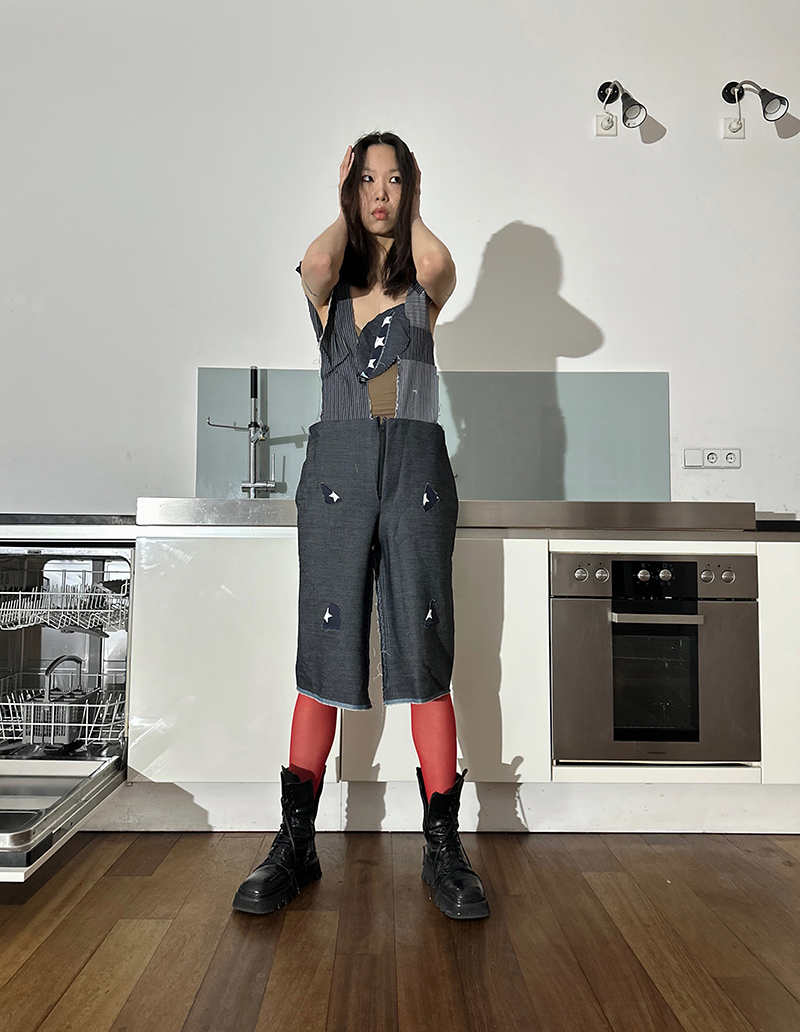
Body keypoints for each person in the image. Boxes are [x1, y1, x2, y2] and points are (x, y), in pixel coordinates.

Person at [232, 131, 489, 920]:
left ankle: (443, 847)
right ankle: (295, 844)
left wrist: (413, 199)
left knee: (425, 651)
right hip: (338, 477)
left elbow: (437, 260)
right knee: (324, 649)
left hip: (415, 475)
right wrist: (343, 197)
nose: (380, 193)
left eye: (394, 180)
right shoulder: (328, 293)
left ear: (412, 190)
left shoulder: (425, 292)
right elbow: (316, 259)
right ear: (350, 192)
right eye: (368, 180)